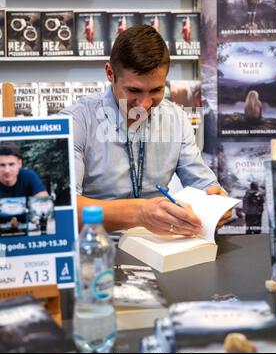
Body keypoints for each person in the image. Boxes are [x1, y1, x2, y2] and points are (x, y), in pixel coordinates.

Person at [61, 25, 232, 236]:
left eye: (156, 90)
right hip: (98, 247)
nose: (144, 104)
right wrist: (140, 213)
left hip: (162, 247)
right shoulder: (75, 121)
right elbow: (64, 210)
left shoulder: (176, 118)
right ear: (109, 73)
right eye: (134, 90)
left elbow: (203, 184)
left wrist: (215, 201)